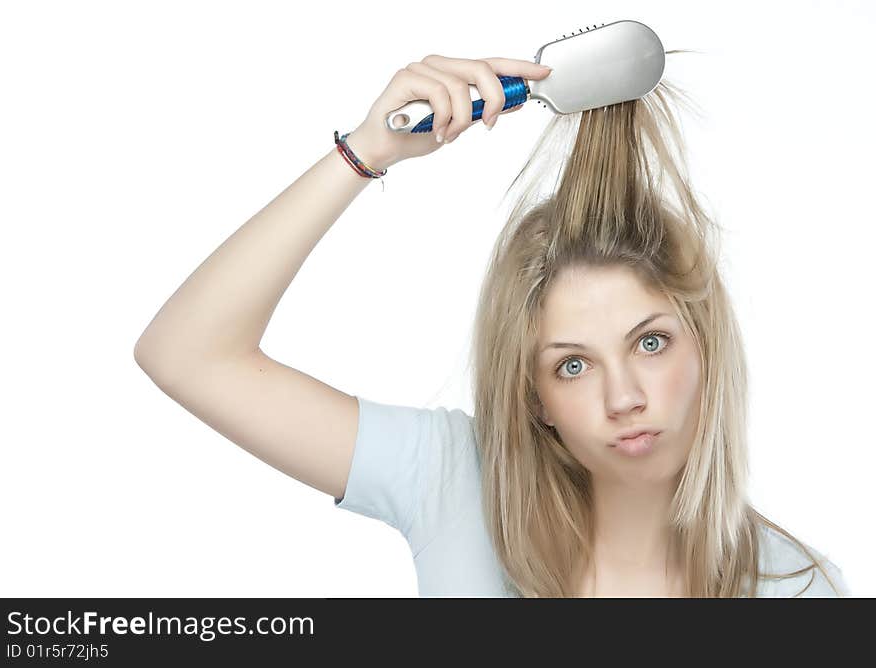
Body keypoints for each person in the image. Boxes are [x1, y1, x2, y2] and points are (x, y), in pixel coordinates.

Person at [134, 53, 848, 597]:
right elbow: (187, 355)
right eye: (573, 364)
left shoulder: (798, 589)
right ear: (534, 395)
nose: (624, 397)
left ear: (706, 349)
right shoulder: (455, 480)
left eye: (650, 342)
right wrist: (366, 152)